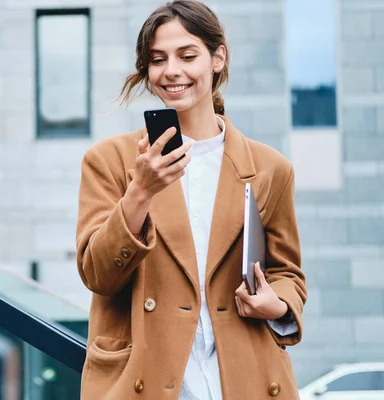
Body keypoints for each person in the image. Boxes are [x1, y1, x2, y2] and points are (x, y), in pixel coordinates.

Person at [75, 1, 307, 399]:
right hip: (148, 378)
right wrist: (141, 190)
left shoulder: (271, 168)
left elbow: (289, 275)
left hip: (243, 377)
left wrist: (278, 304)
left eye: (187, 55)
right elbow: (98, 275)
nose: (172, 71)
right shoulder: (110, 161)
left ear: (218, 58)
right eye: (157, 59)